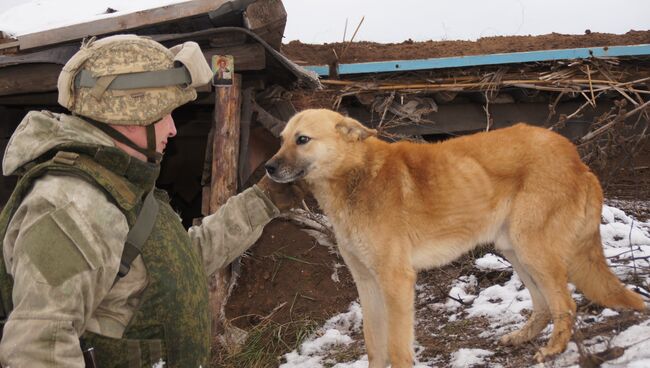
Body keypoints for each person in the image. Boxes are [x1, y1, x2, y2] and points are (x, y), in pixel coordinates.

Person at [0, 35, 303, 367]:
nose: (172, 128)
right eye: (165, 114)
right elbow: (38, 347)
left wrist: (263, 200)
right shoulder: (73, 206)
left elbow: (178, 263)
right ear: (131, 115)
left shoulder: (118, 186)